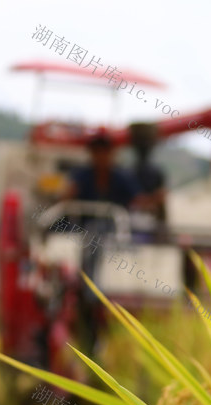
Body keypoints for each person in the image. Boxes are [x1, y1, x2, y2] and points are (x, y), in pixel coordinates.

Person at [63, 129, 143, 354]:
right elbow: (67, 197)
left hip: (115, 241)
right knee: (93, 245)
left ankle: (97, 293)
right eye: (97, 151)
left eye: (105, 151)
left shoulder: (122, 177)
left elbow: (138, 201)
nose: (101, 156)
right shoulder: (81, 176)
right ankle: (92, 292)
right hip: (88, 237)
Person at [127, 122, 169, 241]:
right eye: (140, 141)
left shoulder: (156, 172)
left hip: (148, 227)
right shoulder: (129, 172)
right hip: (132, 226)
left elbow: (161, 204)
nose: (144, 145)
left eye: (147, 141)